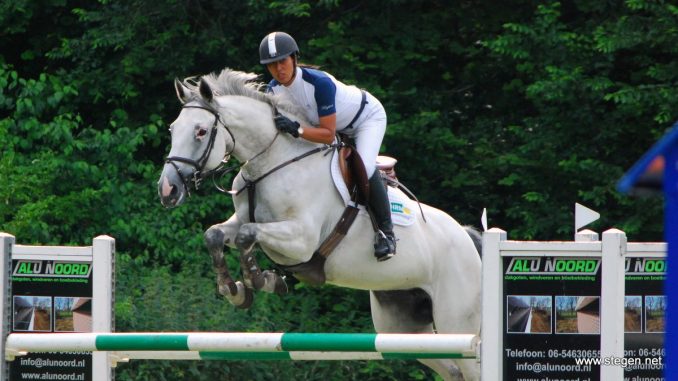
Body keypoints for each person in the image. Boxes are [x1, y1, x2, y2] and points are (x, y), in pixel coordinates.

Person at [259, 31, 396, 262]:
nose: (278, 69)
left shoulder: (318, 83)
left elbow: (326, 134)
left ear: (294, 58)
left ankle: (386, 233)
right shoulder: (272, 91)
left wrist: (297, 130)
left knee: (364, 165)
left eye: (282, 61)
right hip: (332, 127)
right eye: (271, 65)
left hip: (365, 119)